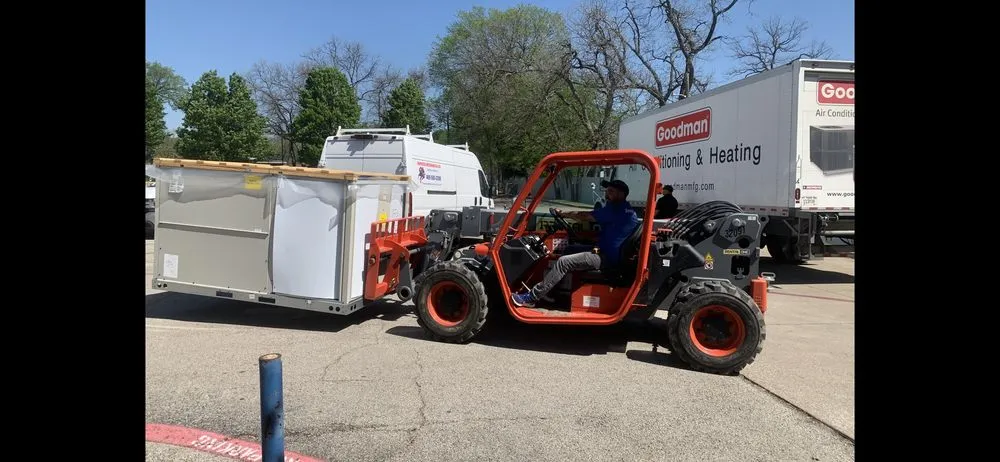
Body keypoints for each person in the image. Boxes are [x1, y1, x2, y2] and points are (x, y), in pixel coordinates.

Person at [511, 179, 639, 308]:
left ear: (621, 194)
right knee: (569, 249)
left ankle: (531, 298)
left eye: (611, 191)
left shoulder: (618, 210)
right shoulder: (624, 210)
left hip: (605, 257)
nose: (607, 193)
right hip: (601, 251)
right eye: (607, 190)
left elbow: (585, 216)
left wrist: (563, 214)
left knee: (563, 262)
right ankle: (551, 291)